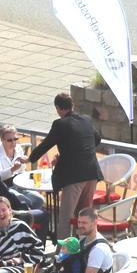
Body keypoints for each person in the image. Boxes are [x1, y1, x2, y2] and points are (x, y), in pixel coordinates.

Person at [29, 92, 103, 238]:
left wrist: (30, 158)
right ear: (72, 105)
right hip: (92, 174)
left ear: (58, 108)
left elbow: (46, 144)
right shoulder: (86, 120)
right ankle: (85, 246)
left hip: (74, 177)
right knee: (84, 215)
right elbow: (97, 140)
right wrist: (72, 155)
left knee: (65, 218)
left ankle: (62, 254)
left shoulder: (59, 124)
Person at [47, 209, 113, 273]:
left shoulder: (98, 249)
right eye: (79, 222)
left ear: (95, 222)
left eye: (84, 223)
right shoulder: (84, 239)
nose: (80, 225)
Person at [0, 197, 45, 273]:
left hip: (18, 267)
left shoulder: (20, 226)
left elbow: (39, 249)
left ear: (10, 210)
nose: (1, 213)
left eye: (3, 210)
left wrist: (21, 259)